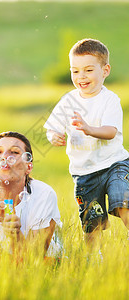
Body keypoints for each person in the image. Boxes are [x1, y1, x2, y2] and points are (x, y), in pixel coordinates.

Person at [44, 38, 129, 248]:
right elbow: (51, 127)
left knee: (123, 203)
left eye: (88, 70)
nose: (81, 76)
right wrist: (53, 136)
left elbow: (110, 132)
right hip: (84, 173)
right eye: (75, 71)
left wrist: (89, 129)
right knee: (92, 223)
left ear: (105, 70)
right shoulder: (68, 101)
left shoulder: (110, 100)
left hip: (114, 164)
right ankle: (94, 259)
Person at [0, 131, 62, 258]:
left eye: (14, 152)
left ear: (28, 167)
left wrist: (16, 234)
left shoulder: (43, 194)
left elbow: (34, 261)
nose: (5, 157)